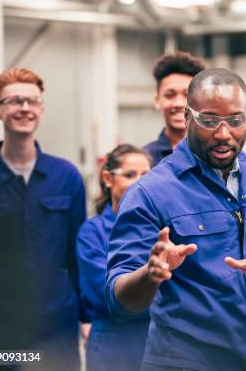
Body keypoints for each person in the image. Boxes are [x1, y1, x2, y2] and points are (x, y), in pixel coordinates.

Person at [105, 68, 246, 371]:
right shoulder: (151, 192)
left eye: (235, 120)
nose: (223, 133)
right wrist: (150, 274)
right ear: (187, 118)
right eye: (208, 120)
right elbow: (118, 301)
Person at [0, 68, 86, 370]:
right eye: (15, 100)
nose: (25, 108)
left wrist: (86, 317)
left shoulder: (67, 178)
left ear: (41, 109)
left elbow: (78, 257)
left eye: (32, 101)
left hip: (56, 328)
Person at [77, 144, 152, 371]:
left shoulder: (160, 229)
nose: (139, 182)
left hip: (154, 345)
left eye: (145, 175)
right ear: (108, 178)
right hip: (113, 348)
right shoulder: (92, 233)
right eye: (130, 175)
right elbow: (106, 297)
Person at [144, 51, 206, 166]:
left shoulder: (215, 156)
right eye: (169, 95)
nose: (178, 103)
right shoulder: (145, 160)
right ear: (157, 100)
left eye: (187, 95)